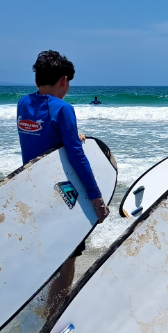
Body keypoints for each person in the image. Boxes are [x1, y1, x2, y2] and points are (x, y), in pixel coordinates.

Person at [17, 50, 110, 316]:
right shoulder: (63, 109)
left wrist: (69, 134)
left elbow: (42, 135)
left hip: (32, 190)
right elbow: (77, 157)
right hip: (61, 196)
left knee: (48, 256)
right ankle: (51, 319)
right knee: (68, 263)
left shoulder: (23, 104)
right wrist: (97, 198)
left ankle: (38, 309)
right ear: (64, 80)